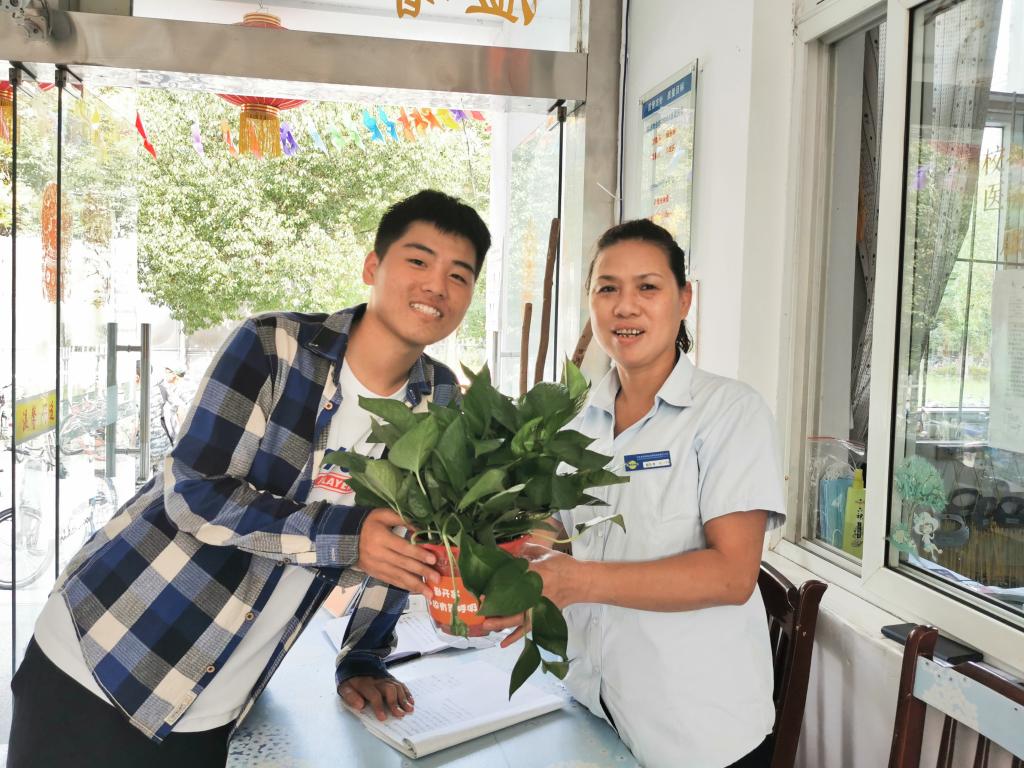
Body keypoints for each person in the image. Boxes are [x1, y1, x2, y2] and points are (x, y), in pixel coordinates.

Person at [7, 189, 491, 768]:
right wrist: (345, 537)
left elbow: (405, 538)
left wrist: (364, 655)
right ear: (372, 266)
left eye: (458, 275)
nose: (436, 286)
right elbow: (195, 493)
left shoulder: (440, 400)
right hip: (105, 654)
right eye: (418, 260)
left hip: (216, 703)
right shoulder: (274, 347)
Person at [486, 219, 786, 768]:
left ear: (684, 299)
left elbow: (732, 574)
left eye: (647, 287)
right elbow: (561, 528)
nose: (625, 306)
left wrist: (575, 581)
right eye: (608, 288)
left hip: (696, 735)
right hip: (594, 706)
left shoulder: (729, 413)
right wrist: (519, 561)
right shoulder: (576, 418)